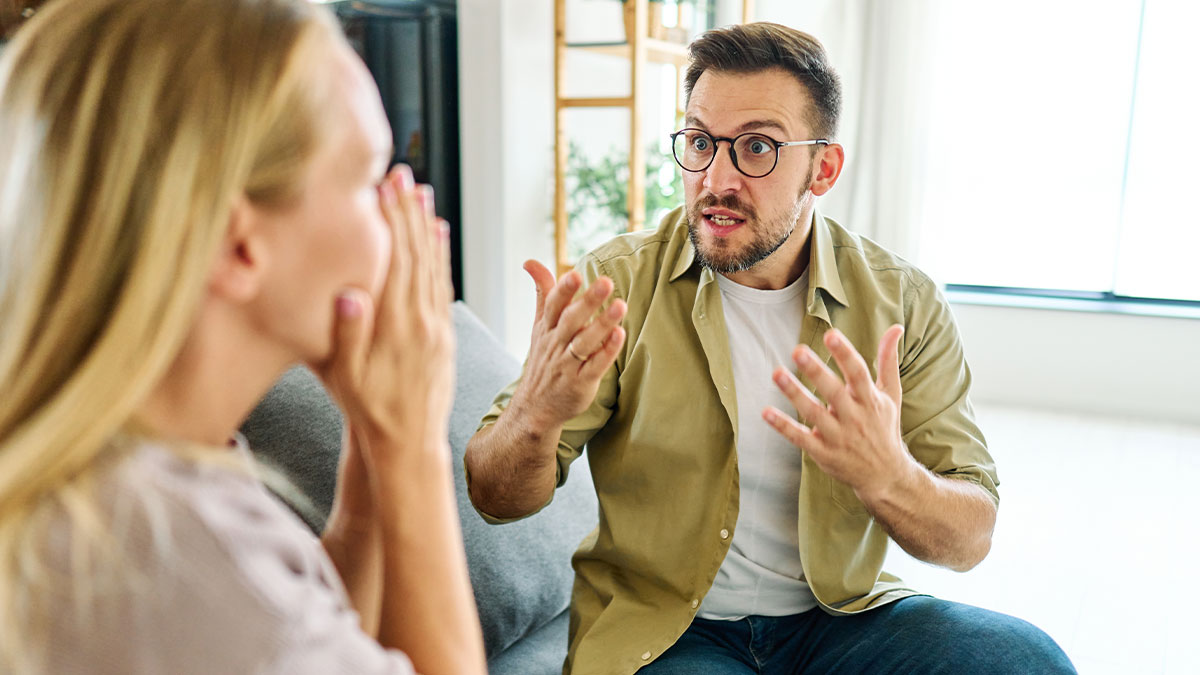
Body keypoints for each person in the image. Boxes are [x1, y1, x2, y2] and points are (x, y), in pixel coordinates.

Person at [464, 22, 1074, 675]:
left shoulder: (904, 303)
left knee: (1025, 659)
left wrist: (888, 475)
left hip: (842, 619)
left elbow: (969, 539)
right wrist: (535, 414)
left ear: (823, 167)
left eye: (757, 147)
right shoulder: (615, 285)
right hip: (670, 628)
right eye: (699, 142)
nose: (716, 178)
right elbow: (495, 496)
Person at [0, 0, 485, 673]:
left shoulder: (135, 478)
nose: (402, 216)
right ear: (239, 243)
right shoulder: (168, 548)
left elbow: (313, 634)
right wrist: (412, 450)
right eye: (371, 178)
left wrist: (374, 459)